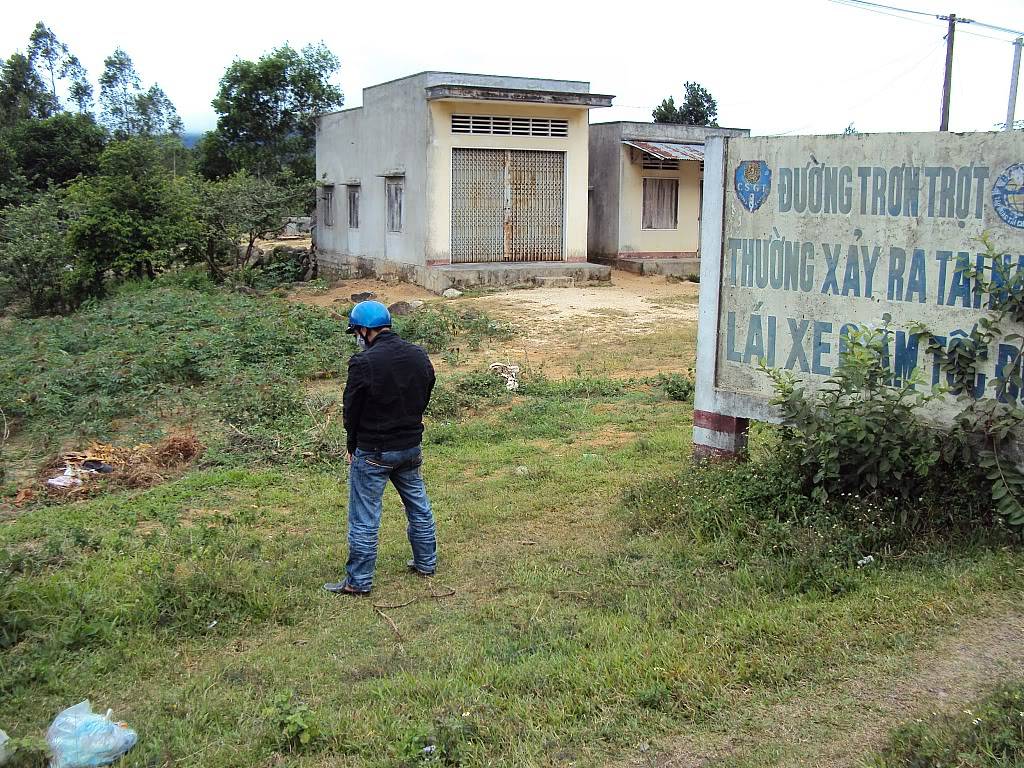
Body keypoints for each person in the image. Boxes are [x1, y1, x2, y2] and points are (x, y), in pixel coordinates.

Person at [324, 300, 438, 596]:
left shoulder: (362, 363)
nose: (357, 339)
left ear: (365, 330)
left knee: (365, 517)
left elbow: (351, 410)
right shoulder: (418, 355)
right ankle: (426, 563)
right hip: (410, 447)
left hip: (373, 452)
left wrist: (352, 445)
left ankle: (358, 582)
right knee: (418, 506)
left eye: (356, 333)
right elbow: (426, 389)